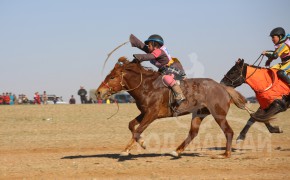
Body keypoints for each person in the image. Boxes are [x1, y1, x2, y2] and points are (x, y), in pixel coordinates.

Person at [130, 34, 187, 105]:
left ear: (155, 46)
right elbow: (143, 47)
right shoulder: (154, 50)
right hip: (166, 70)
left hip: (174, 70)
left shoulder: (158, 51)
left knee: (166, 78)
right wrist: (133, 40)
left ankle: (180, 95)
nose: (148, 47)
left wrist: (138, 57)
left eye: (149, 45)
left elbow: (150, 56)